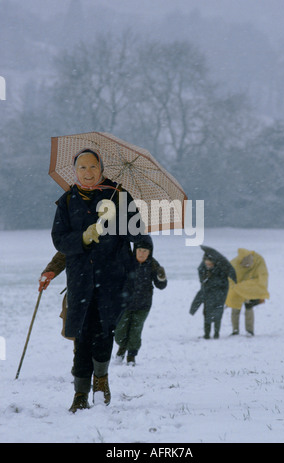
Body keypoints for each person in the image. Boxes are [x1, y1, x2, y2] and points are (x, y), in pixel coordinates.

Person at [51, 148, 144, 413]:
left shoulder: (120, 196)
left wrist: (119, 224)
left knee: (104, 333)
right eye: (82, 168)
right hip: (80, 279)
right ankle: (80, 393)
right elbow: (59, 240)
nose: (88, 172)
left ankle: (101, 379)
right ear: (75, 170)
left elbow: (137, 234)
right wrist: (82, 237)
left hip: (112, 279)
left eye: (93, 167)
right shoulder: (67, 201)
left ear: (101, 169)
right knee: (82, 336)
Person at [114, 235, 167, 365]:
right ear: (135, 250)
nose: (142, 253)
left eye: (145, 251)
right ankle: (122, 347)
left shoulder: (153, 265)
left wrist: (161, 278)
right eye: (139, 250)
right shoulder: (127, 262)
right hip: (125, 304)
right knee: (120, 331)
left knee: (135, 331)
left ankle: (131, 356)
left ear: (150, 252)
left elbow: (161, 286)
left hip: (143, 305)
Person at [189, 246, 236, 339]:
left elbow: (224, 284)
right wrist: (206, 278)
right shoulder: (202, 269)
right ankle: (206, 334)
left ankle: (216, 333)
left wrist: (213, 282)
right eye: (207, 263)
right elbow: (202, 282)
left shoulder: (222, 270)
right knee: (206, 315)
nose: (208, 265)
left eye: (210, 263)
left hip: (219, 296)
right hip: (207, 296)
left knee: (218, 315)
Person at [226, 248, 269, 336]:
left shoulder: (259, 260)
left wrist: (260, 293)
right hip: (237, 287)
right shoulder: (234, 264)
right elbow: (229, 280)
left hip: (250, 287)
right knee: (235, 307)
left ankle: (249, 330)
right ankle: (235, 330)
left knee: (249, 307)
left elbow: (263, 276)